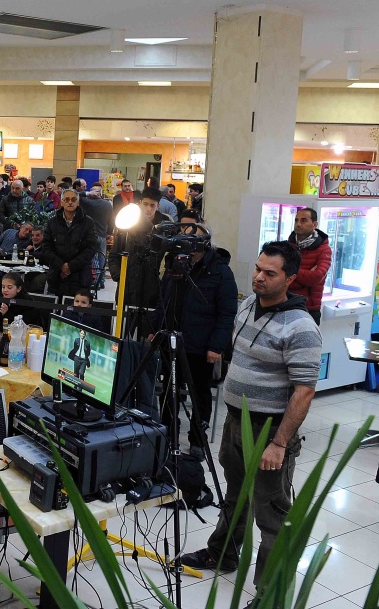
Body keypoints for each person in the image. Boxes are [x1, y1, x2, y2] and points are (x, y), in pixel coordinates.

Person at [178, 241, 321, 588]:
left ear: (289, 279)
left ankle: (270, 591)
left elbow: (304, 391)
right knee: (235, 496)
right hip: (235, 422)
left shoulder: (300, 327)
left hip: (269, 431)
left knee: (272, 513)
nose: (259, 277)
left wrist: (279, 444)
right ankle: (222, 554)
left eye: (269, 273)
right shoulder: (247, 305)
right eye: (258, 268)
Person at [156, 221, 237, 458]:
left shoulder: (220, 271)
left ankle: (198, 440)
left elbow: (227, 313)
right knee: (169, 391)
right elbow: (164, 298)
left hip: (200, 346)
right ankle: (168, 433)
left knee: (200, 394)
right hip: (171, 339)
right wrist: (156, 326)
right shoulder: (176, 265)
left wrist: (216, 346)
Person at [107, 187, 168, 335]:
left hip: (151, 293)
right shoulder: (127, 224)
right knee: (121, 334)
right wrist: (120, 276)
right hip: (127, 290)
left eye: (152, 205)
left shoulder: (164, 228)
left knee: (146, 336)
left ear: (158, 206)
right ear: (140, 203)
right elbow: (114, 255)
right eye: (145, 204)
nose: (148, 209)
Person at [40, 189, 97, 298]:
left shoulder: (88, 222)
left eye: (73, 199)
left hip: (80, 275)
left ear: (78, 202)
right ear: (62, 202)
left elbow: (91, 248)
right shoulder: (52, 222)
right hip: (57, 275)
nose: (70, 202)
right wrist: (61, 265)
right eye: (66, 199)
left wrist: (70, 266)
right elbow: (46, 247)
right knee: (57, 306)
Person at [287, 207, 331, 325]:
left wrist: (291, 272)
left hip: (309, 309)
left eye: (303, 220)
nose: (298, 224)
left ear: (314, 224)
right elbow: (280, 275)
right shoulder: (287, 246)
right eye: (296, 220)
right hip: (287, 303)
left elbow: (316, 277)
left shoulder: (324, 249)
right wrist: (306, 276)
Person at [80, 184, 113, 290]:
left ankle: (96, 282)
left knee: (94, 259)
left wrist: (87, 193)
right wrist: (109, 233)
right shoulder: (107, 204)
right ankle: (102, 281)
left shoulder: (88, 203)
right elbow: (111, 221)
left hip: (92, 235)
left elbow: (76, 195)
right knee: (102, 259)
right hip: (103, 235)